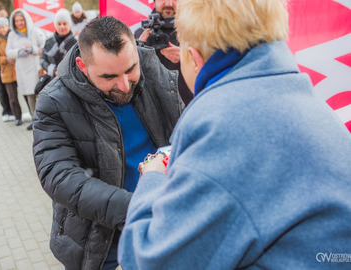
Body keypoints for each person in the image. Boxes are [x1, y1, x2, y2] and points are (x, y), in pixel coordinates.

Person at [118, 0, 351, 269]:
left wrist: (154, 178)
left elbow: (149, 259)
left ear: (193, 57)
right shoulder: (314, 106)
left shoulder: (221, 123)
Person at [32, 16, 183, 270]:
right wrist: (137, 206)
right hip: (98, 236)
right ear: (82, 66)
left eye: (130, 69)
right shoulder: (53, 101)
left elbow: (184, 131)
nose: (124, 85)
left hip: (162, 220)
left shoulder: (155, 69)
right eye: (109, 76)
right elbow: (59, 177)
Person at [134, 0, 192, 106]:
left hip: (187, 104)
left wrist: (185, 58)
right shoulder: (141, 33)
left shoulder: (193, 31)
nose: (168, 4)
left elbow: (209, 68)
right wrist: (139, 47)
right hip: (153, 106)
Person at [6, 9, 45, 130]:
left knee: (39, 93)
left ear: (26, 19)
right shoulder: (12, 35)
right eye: (17, 21)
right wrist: (18, 52)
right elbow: (8, 52)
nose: (19, 23)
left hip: (35, 67)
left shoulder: (34, 32)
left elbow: (43, 46)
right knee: (29, 95)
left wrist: (32, 50)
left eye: (21, 20)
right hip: (22, 69)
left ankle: (43, 119)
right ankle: (35, 120)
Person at [0, 17, 22, 126]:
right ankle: (17, 117)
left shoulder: (15, 37)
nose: (2, 30)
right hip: (7, 72)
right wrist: (5, 60)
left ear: (8, 26)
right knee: (12, 98)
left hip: (19, 70)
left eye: (4, 27)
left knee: (28, 95)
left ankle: (33, 114)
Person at [40, 8, 77, 79]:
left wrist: (63, 72)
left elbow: (78, 63)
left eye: (64, 23)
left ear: (69, 25)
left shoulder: (75, 42)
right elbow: (42, 60)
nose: (62, 26)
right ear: (55, 25)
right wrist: (53, 70)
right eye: (59, 24)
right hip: (51, 80)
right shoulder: (49, 41)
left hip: (70, 80)